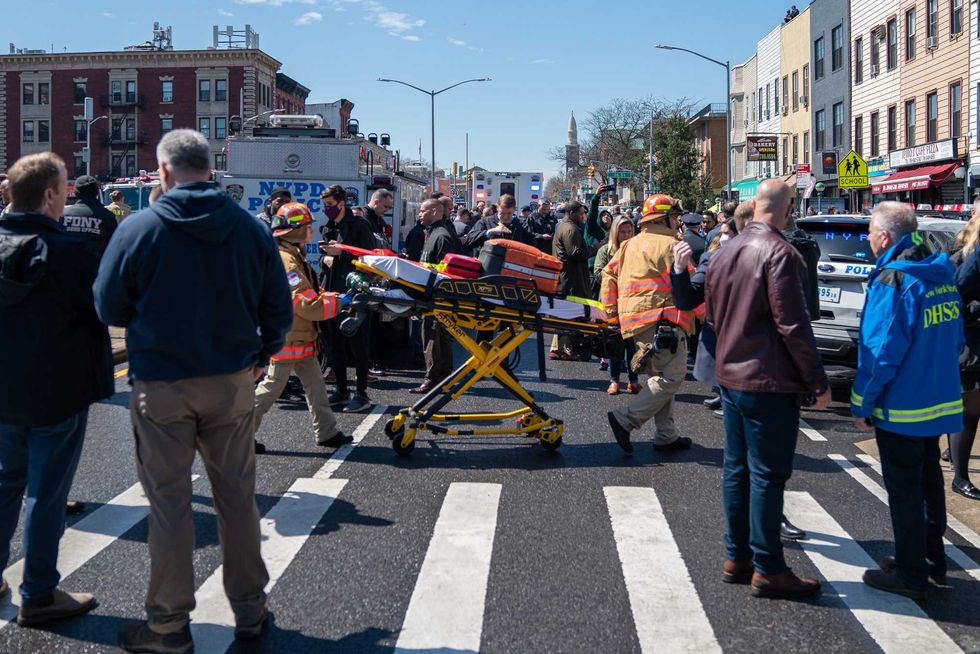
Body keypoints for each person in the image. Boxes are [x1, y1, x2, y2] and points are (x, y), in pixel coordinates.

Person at [94, 130, 293, 651]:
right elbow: (279, 307)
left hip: (161, 382)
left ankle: (167, 626)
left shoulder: (140, 228)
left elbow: (108, 305)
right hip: (230, 380)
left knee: (170, 505)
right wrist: (262, 352)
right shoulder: (251, 230)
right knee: (237, 500)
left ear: (163, 172)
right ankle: (251, 612)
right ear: (211, 169)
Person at [0, 152, 112, 627]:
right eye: (65, 188)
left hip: (3, 389)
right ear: (49, 195)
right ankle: (40, 594)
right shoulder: (67, 254)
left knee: (5, 483)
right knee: (47, 494)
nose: (69, 197)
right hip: (56, 391)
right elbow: (107, 310)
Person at [705, 179, 830, 600]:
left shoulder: (724, 251)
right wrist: (816, 380)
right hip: (768, 380)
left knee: (737, 470)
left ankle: (737, 556)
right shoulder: (781, 253)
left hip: (732, 375)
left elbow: (712, 315)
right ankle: (769, 567)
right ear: (788, 207)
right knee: (767, 475)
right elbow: (793, 325)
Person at [849, 202, 962, 600]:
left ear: (884, 237)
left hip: (902, 407)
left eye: (868, 233)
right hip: (938, 401)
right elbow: (957, 341)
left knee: (905, 493)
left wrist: (862, 404)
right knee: (929, 483)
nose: (866, 239)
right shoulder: (940, 273)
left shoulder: (894, 279)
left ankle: (911, 574)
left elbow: (880, 352)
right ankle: (932, 560)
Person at [252, 201, 353, 452]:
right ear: (296, 231)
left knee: (315, 385)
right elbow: (305, 303)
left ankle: (327, 432)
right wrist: (338, 301)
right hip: (288, 336)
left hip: (300, 334)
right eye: (307, 226)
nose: (311, 230)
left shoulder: (291, 255)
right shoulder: (287, 262)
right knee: (271, 387)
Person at [602, 194, 696, 454]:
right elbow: (689, 288)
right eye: (676, 217)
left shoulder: (629, 245)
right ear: (664, 218)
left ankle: (666, 435)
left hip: (636, 322)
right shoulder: (672, 245)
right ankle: (625, 419)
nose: (679, 222)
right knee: (672, 377)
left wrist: (612, 315)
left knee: (659, 376)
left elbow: (608, 275)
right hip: (664, 321)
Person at [319, 184, 377, 413]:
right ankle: (342, 390)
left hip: (355, 293)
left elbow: (369, 259)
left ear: (341, 204)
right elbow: (325, 258)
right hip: (333, 292)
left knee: (358, 345)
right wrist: (326, 260)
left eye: (330, 205)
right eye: (325, 205)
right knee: (336, 345)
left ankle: (361, 393)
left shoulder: (359, 226)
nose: (327, 209)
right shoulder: (329, 227)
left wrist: (340, 255)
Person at [412, 199, 462, 394]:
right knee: (439, 337)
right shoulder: (434, 233)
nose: (419, 214)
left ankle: (433, 379)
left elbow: (443, 272)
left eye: (422, 210)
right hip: (431, 296)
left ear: (434, 212)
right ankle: (443, 377)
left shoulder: (441, 237)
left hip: (437, 298)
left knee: (433, 337)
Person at [950, 203, 980, 500]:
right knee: (968, 410)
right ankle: (960, 477)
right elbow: (956, 289)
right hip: (973, 342)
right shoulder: (975, 254)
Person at [594, 217, 639, 395]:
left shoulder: (637, 250)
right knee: (614, 344)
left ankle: (633, 381)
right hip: (612, 304)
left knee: (632, 345)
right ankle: (614, 381)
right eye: (622, 231)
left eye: (629, 231)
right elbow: (598, 274)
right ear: (615, 232)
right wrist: (618, 277)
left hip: (632, 303)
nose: (626, 235)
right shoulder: (606, 251)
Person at [551, 200, 592, 360]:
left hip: (565, 276)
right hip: (570, 279)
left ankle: (557, 348)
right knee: (570, 314)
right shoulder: (570, 229)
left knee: (563, 314)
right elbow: (575, 253)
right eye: (581, 213)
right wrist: (593, 248)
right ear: (572, 213)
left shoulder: (563, 225)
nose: (583, 216)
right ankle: (567, 350)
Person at [60, 175, 117, 258]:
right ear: (96, 192)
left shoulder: (63, 215)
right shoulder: (107, 216)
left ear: (76, 192)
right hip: (97, 267)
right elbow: (114, 248)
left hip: (67, 267)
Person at [459, 193, 534, 253]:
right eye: (502, 213)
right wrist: (489, 232)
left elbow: (531, 247)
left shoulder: (521, 225)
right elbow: (468, 241)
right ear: (497, 208)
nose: (505, 217)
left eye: (509, 213)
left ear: (514, 209)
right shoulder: (485, 222)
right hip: (487, 268)